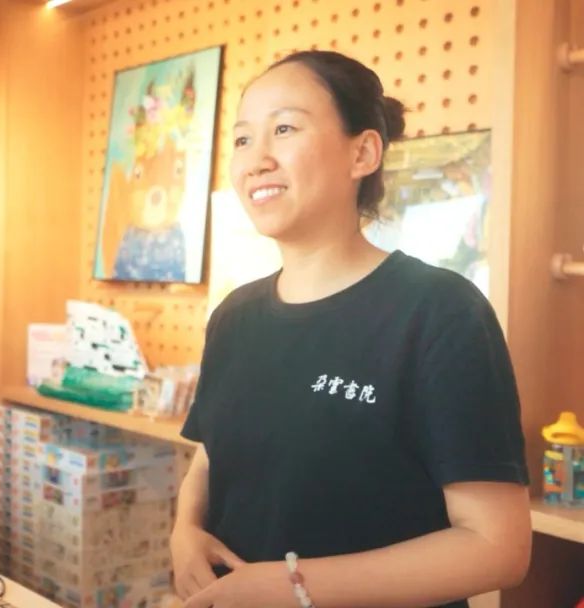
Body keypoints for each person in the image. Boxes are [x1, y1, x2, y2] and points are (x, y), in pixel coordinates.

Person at [170, 50, 531, 608]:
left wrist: (292, 587)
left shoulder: (441, 312)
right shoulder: (233, 316)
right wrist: (185, 528)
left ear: (362, 152)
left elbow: (497, 547)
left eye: (284, 129)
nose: (256, 160)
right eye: (242, 139)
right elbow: (214, 452)